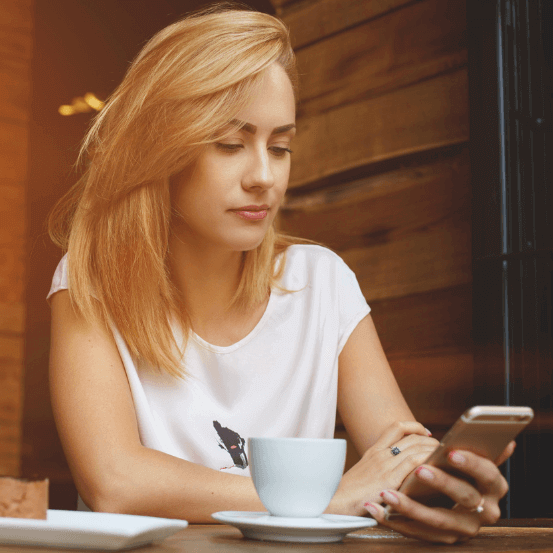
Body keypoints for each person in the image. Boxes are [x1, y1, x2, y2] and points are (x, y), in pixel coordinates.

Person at [47, 3, 513, 543]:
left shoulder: (322, 283)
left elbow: (395, 451)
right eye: (230, 144)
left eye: (281, 146)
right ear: (162, 150)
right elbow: (115, 482)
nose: (264, 176)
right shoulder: (90, 284)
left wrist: (438, 483)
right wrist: (321, 500)